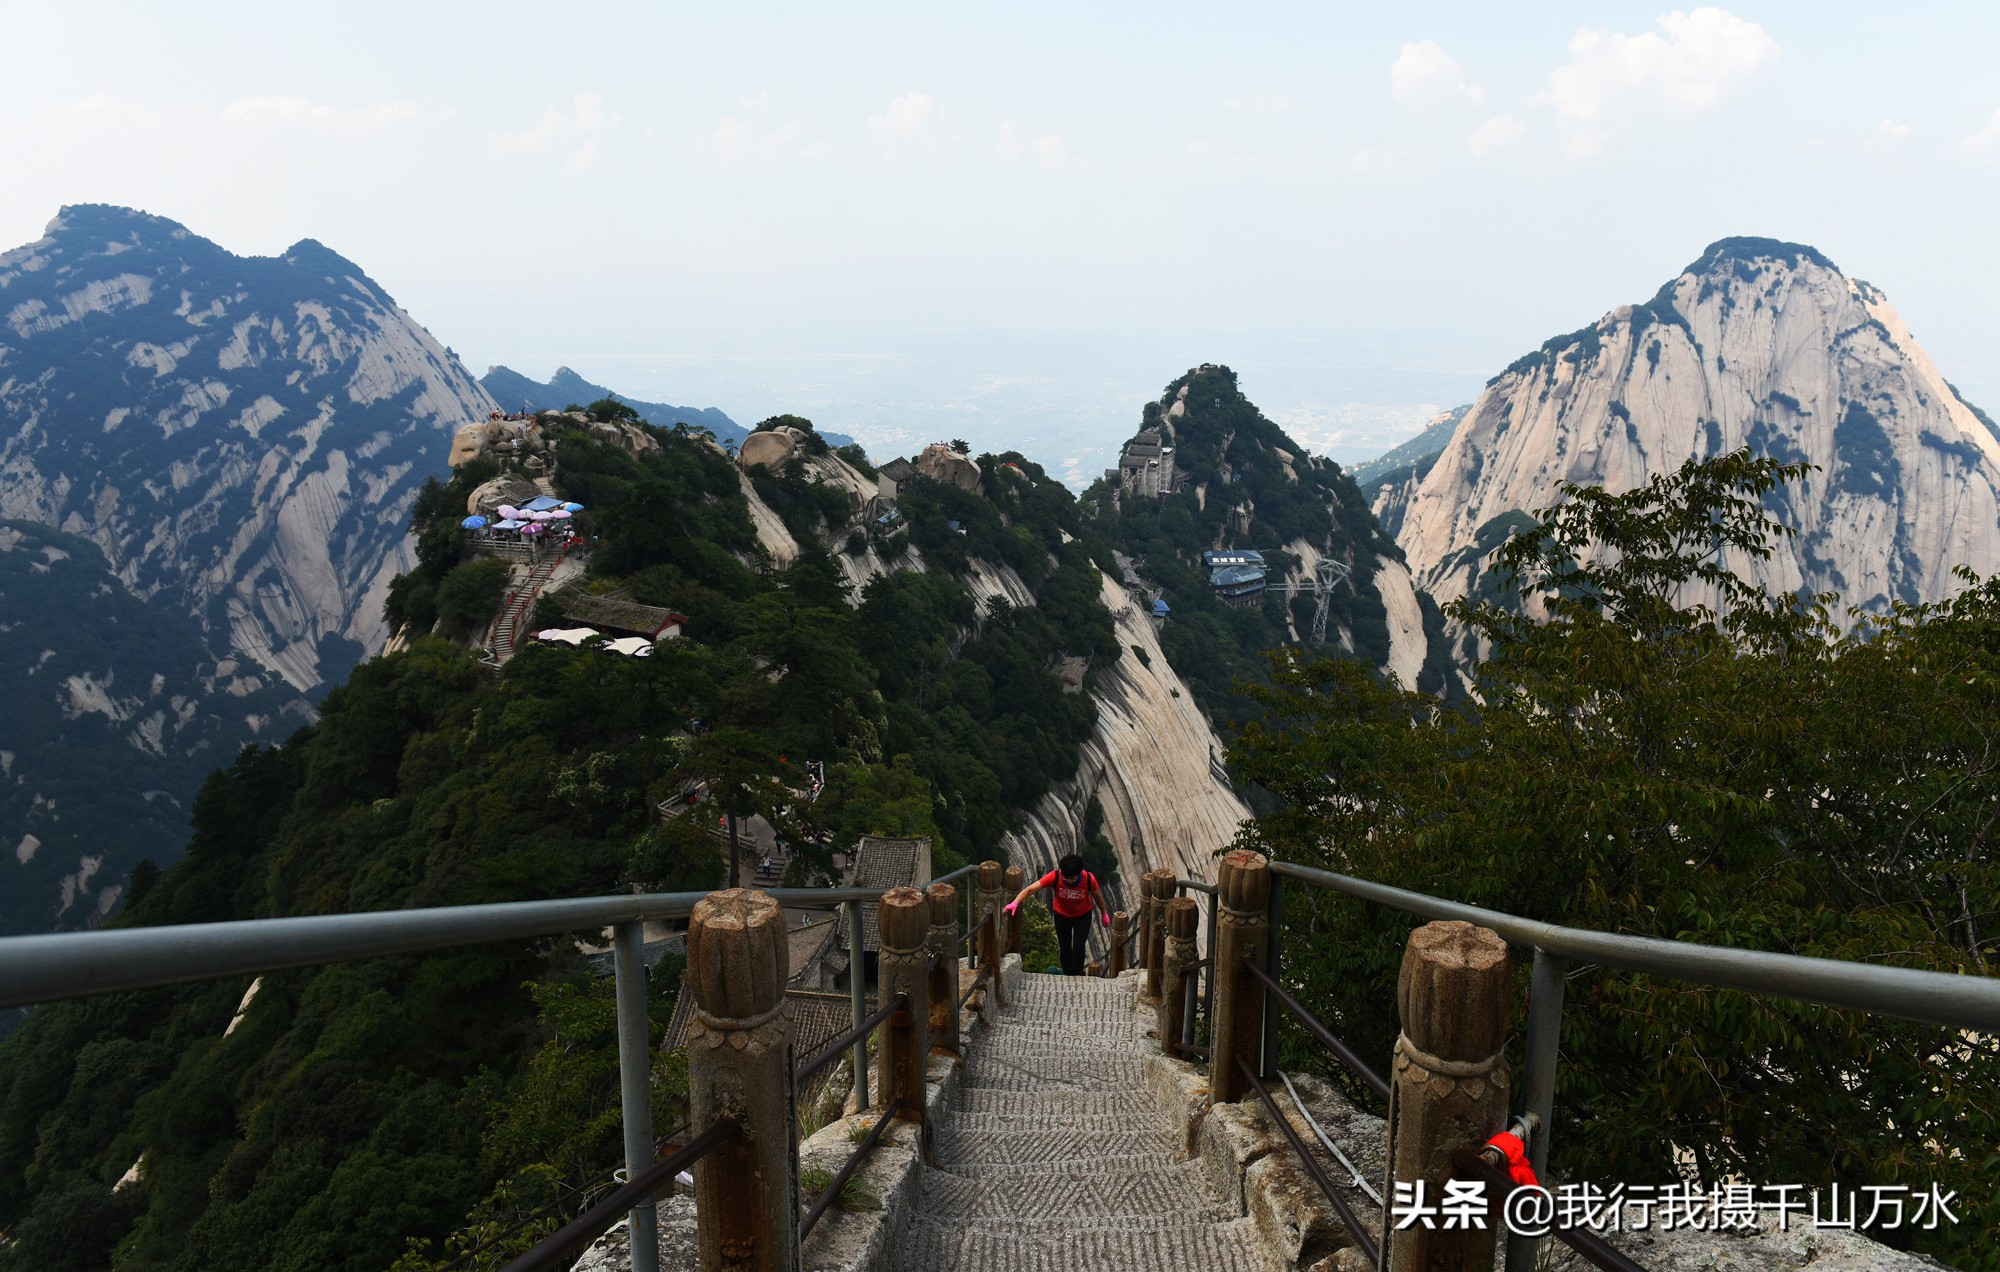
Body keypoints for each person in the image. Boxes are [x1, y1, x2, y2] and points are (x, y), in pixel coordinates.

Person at [1003, 853, 1111, 976]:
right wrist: (1016, 902)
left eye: (1072, 878)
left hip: (1082, 915)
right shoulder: (1055, 876)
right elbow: (1032, 889)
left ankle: (1078, 974)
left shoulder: (1088, 879)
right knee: (1064, 948)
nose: (1068, 881)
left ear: (1079, 873)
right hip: (1062, 915)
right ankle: (1068, 975)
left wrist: (1104, 914)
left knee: (1078, 947)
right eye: (1066, 877)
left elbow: (1097, 896)